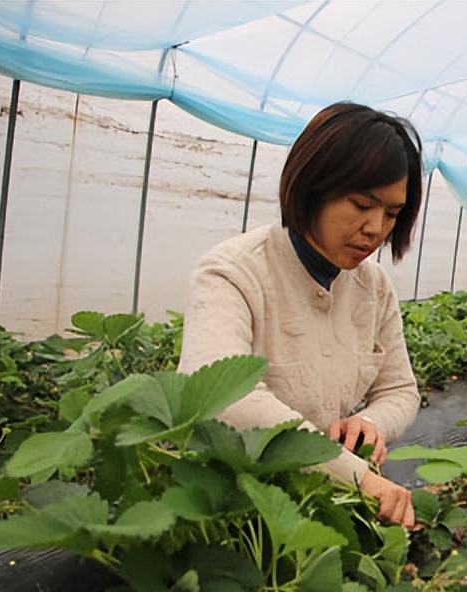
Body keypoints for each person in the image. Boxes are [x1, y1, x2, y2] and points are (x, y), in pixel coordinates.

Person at [178, 102, 423, 529]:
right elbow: (225, 398)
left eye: (391, 213)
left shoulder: (374, 287)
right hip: (232, 512)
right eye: (361, 204)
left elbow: (400, 390)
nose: (375, 228)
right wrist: (357, 475)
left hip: (324, 505)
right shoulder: (232, 273)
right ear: (313, 186)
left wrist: (370, 423)